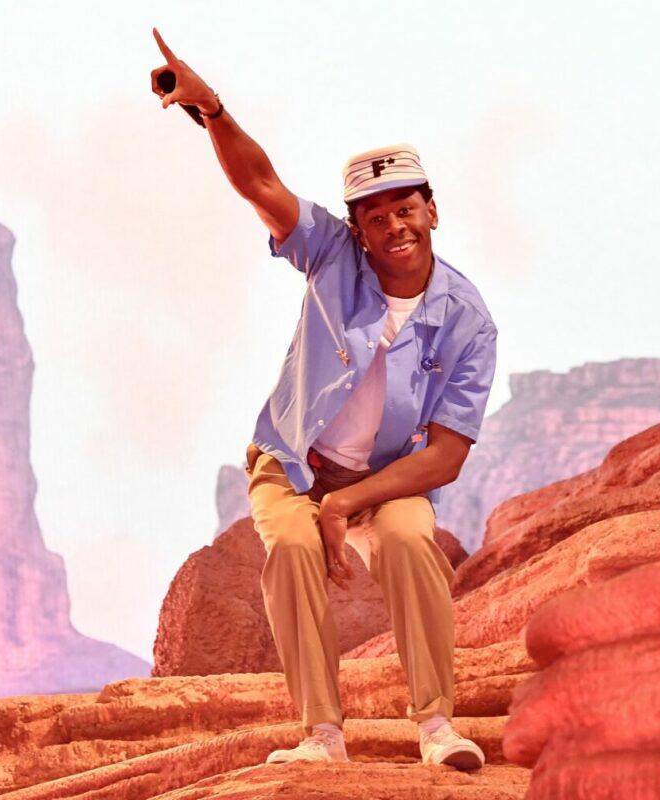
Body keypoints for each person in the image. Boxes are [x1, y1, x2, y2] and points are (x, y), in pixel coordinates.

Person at [150, 28, 497, 771]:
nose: (393, 227)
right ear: (357, 230)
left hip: (383, 478)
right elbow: (260, 185)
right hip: (293, 466)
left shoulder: (468, 320)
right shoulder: (331, 255)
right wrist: (210, 109)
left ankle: (438, 727)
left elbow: (446, 455)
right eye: (375, 217)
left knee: (410, 541)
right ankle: (322, 735)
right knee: (294, 551)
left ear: (433, 210)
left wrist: (350, 504)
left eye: (406, 209)